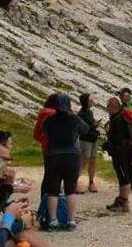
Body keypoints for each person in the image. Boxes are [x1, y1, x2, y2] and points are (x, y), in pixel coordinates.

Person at [42, 93, 89, 230]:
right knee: (70, 189)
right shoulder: (74, 118)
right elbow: (85, 129)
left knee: (53, 190)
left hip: (53, 156)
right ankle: (71, 220)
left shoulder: (48, 120)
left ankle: (53, 221)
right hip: (71, 155)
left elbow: (44, 132)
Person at [103, 96, 132, 212]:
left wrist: (108, 143)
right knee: (121, 175)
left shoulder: (118, 120)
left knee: (123, 176)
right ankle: (121, 200)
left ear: (113, 107)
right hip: (121, 152)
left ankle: (123, 202)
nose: (106, 108)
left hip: (121, 153)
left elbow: (117, 138)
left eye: (108, 106)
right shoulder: (117, 118)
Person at [33, 93, 60, 196]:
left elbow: (36, 134)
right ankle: (52, 199)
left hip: (46, 148)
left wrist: (45, 140)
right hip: (57, 148)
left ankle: (44, 198)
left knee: (48, 174)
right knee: (54, 175)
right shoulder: (54, 114)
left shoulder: (42, 114)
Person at [77, 93, 100, 193]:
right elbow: (83, 128)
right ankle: (73, 181)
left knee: (92, 160)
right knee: (84, 161)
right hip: (85, 140)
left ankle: (91, 182)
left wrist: (94, 125)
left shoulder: (89, 112)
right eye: (90, 100)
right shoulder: (81, 114)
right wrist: (93, 125)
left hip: (92, 139)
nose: (92, 102)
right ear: (85, 102)